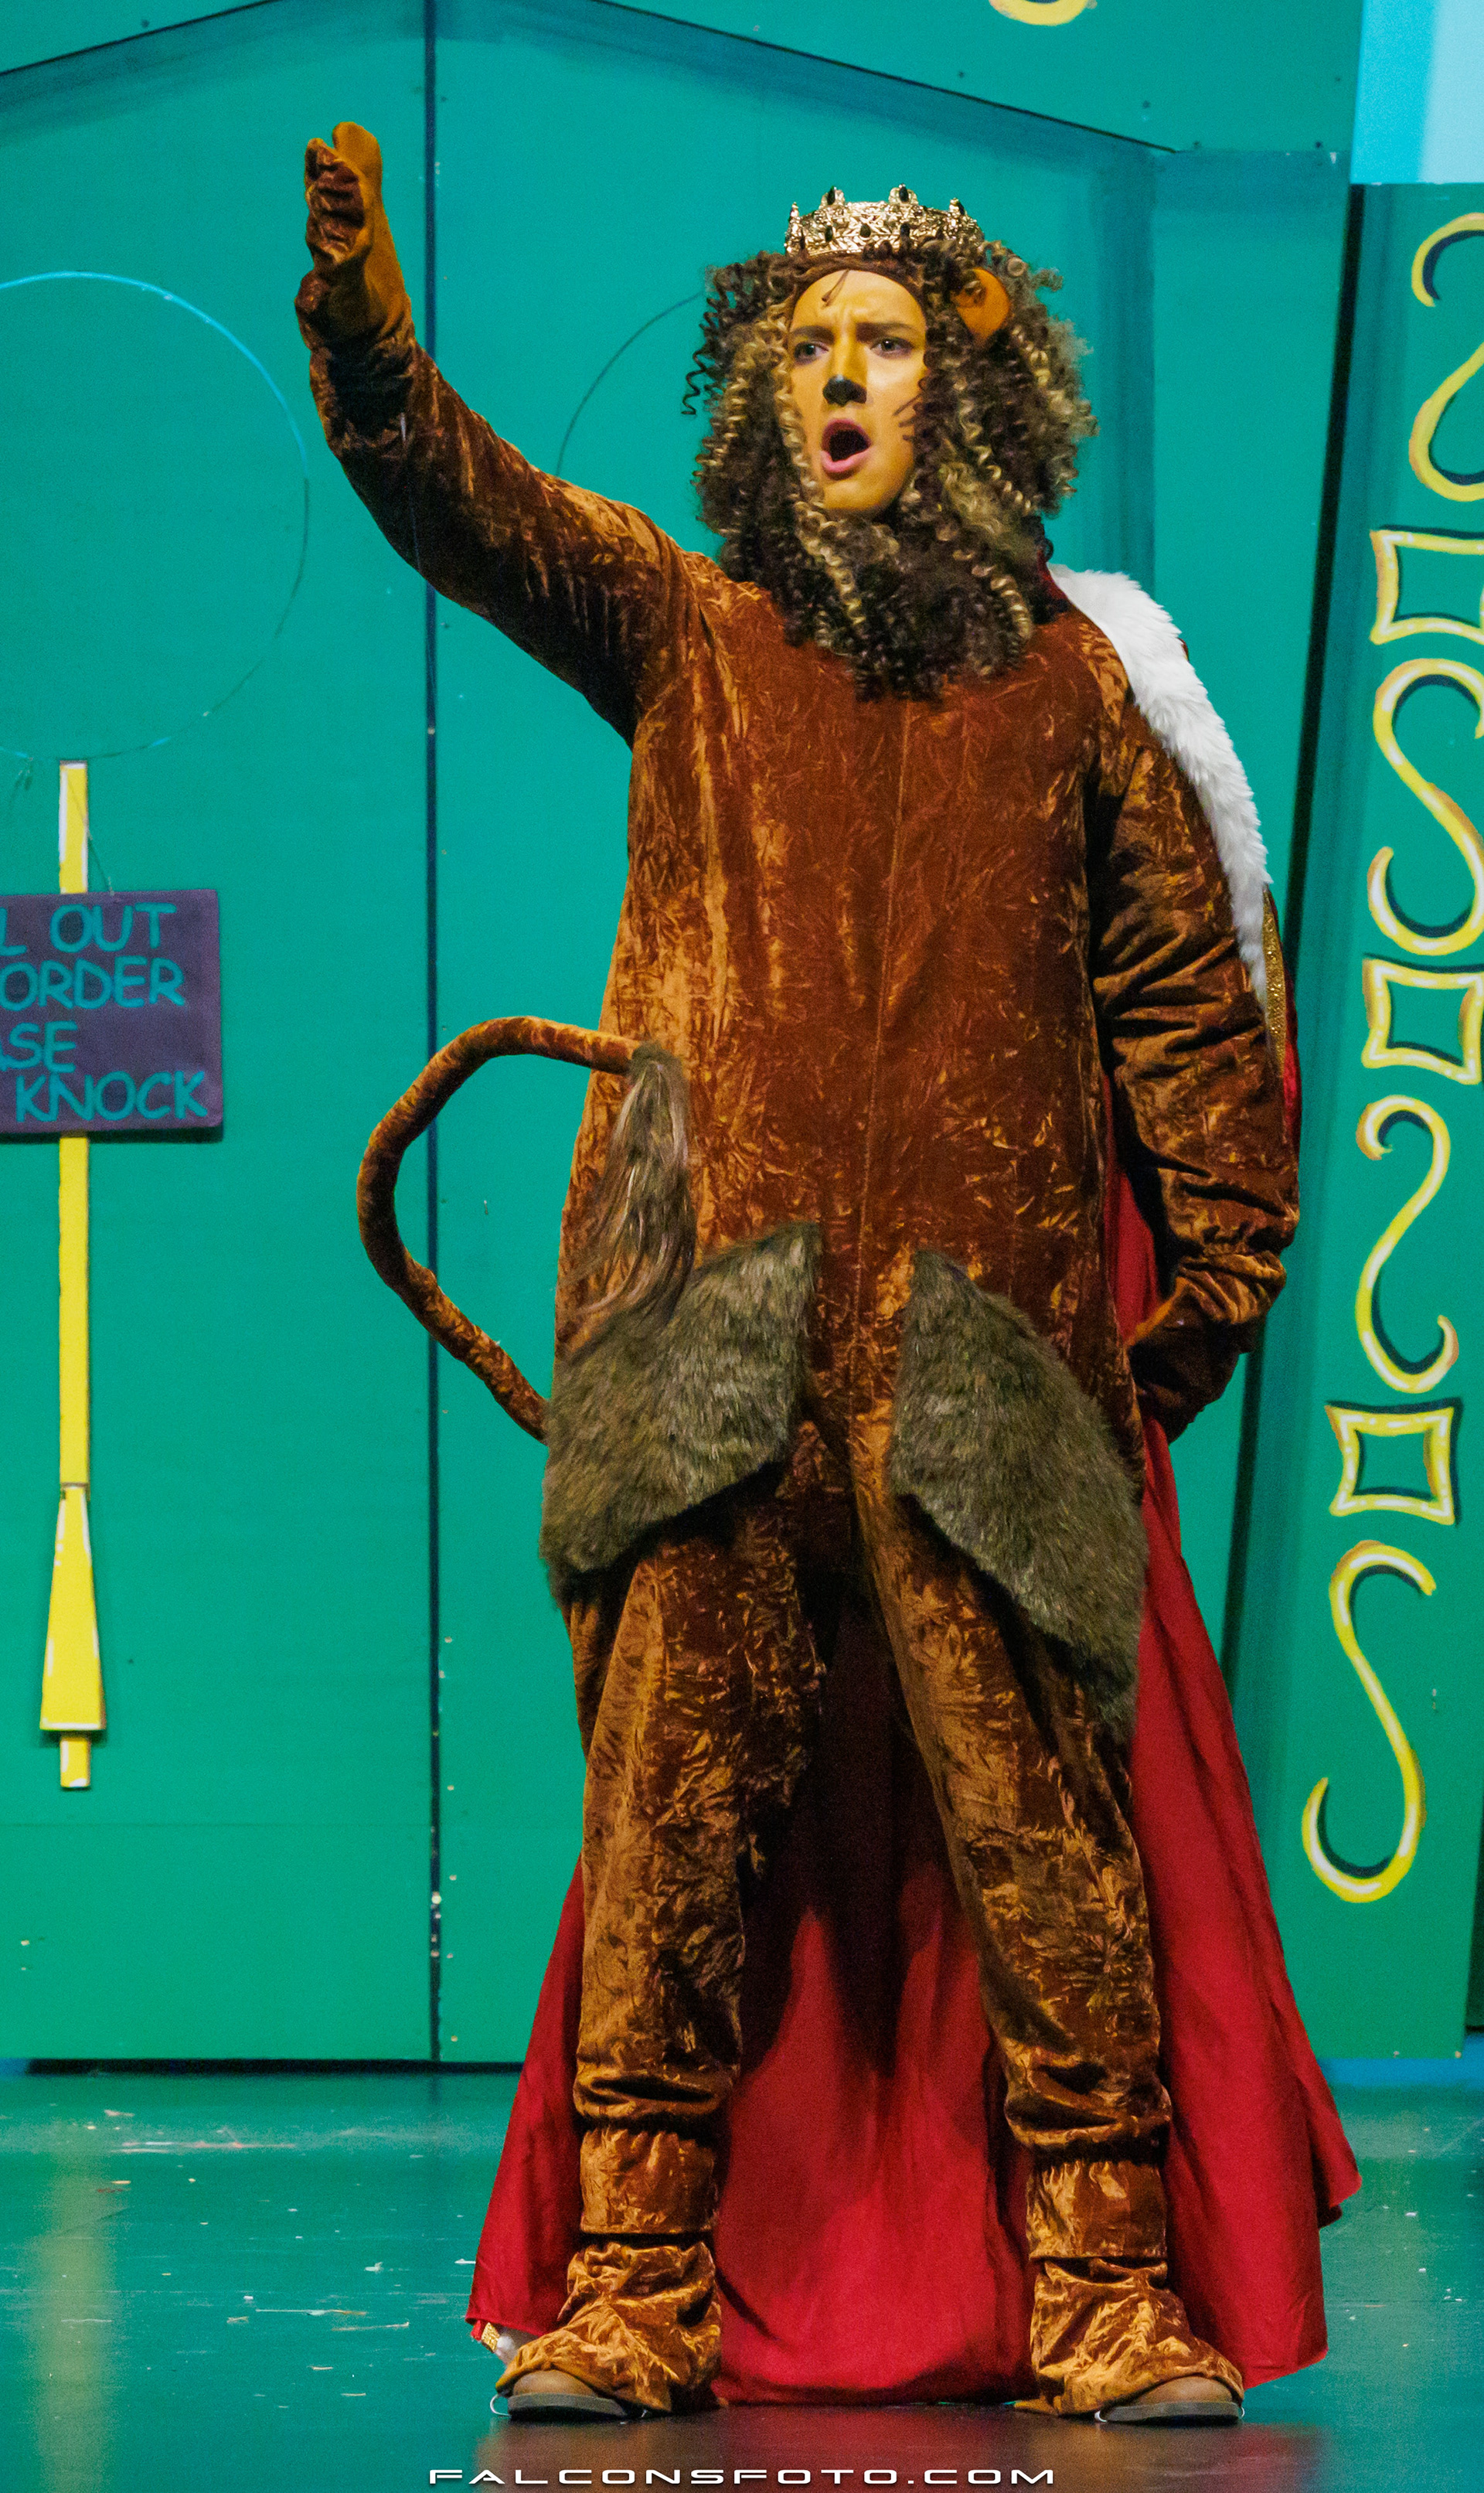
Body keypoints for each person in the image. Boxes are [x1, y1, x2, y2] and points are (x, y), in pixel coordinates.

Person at [297, 127, 1331, 2423]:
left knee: (1043, 1842)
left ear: (968, 397)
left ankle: (1105, 2288)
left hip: (986, 1357)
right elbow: (466, 501)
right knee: (672, 1820)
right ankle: (637, 2279)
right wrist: (366, 337)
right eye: (805, 352)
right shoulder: (689, 635)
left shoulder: (1069, 695)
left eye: (881, 345)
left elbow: (1186, 1018)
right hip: (714, 1347)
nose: (839, 380)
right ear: (759, 401)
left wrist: (1190, 1321)